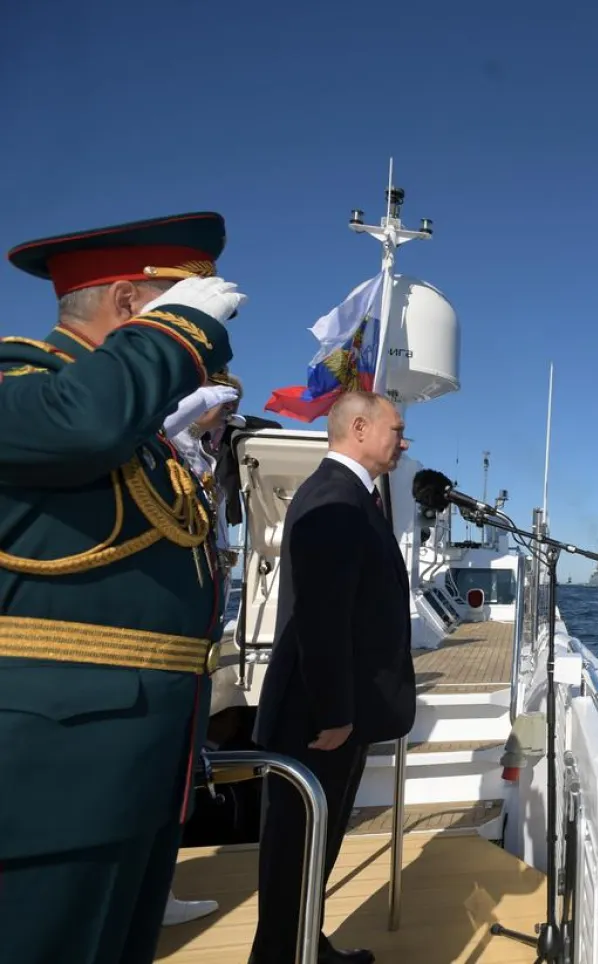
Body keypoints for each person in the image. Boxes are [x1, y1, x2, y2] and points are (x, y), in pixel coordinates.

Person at [0, 212, 245, 964]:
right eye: (192, 309)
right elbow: (82, 424)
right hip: (51, 787)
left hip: (140, 778)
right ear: (136, 309)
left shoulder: (133, 436)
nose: (210, 341)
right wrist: (178, 338)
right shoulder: (22, 383)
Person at [249, 390, 416, 964]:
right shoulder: (335, 499)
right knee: (296, 854)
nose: (403, 440)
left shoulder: (347, 496)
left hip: (328, 715)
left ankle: (306, 947)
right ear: (361, 428)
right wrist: (335, 712)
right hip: (318, 720)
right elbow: (321, 615)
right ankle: (283, 955)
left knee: (313, 851)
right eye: (397, 429)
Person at [158, 372, 242, 928]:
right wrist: (204, 399)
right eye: (225, 399)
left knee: (176, 767)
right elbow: (152, 426)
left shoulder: (207, 458)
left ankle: (157, 889)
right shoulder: (161, 442)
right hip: (160, 638)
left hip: (195, 637)